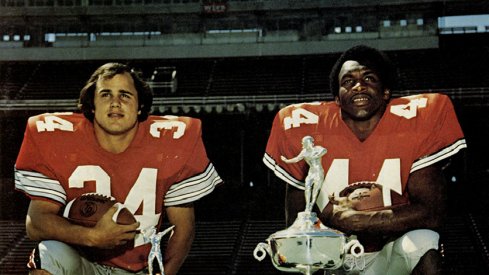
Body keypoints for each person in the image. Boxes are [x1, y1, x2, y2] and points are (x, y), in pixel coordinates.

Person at [263, 45, 467, 274]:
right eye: (348, 81)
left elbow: (432, 214)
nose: (359, 86)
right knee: (300, 256)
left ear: (386, 92)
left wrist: (362, 220)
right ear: (337, 98)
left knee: (425, 242)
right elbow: (296, 226)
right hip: (332, 256)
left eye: (369, 78)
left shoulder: (415, 124)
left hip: (388, 253)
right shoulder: (304, 129)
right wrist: (330, 223)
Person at [15, 62, 223, 275]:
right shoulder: (59, 139)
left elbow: (184, 230)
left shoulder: (171, 142)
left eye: (125, 95)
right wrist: (92, 236)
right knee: (47, 254)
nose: (115, 103)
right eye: (105, 94)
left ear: (140, 105)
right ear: (92, 104)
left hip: (139, 268)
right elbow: (36, 223)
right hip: (82, 261)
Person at [280, 136, 327, 213]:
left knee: (316, 189)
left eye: (304, 142)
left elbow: (324, 150)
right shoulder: (304, 152)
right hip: (311, 172)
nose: (302, 143)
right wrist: (286, 161)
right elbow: (296, 159)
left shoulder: (317, 148)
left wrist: (319, 154)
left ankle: (312, 204)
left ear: (308, 142)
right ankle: (307, 204)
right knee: (307, 186)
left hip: (318, 172)